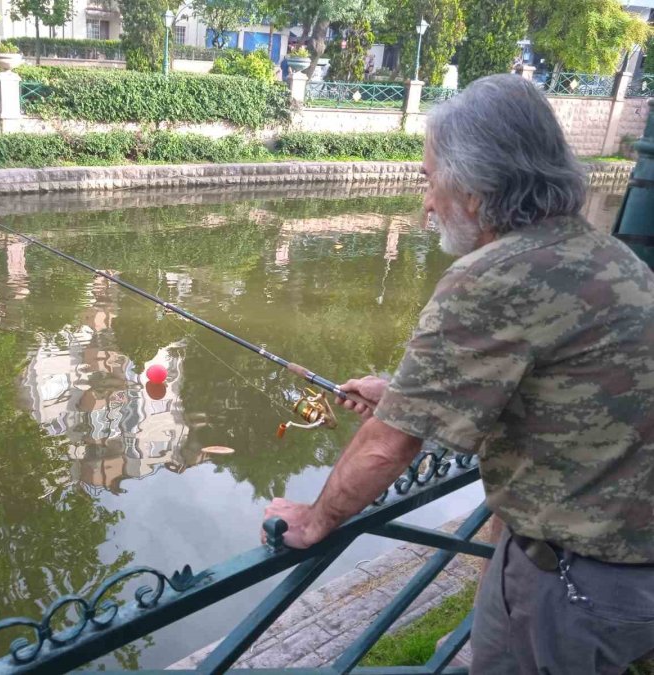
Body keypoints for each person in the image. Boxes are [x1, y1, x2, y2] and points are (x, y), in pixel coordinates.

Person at [262, 74, 654, 674]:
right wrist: (403, 395)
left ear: (473, 188)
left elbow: (390, 444)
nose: (425, 203)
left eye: (429, 180)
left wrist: (315, 521)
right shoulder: (604, 252)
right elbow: (569, 389)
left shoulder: (491, 276)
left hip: (572, 581)